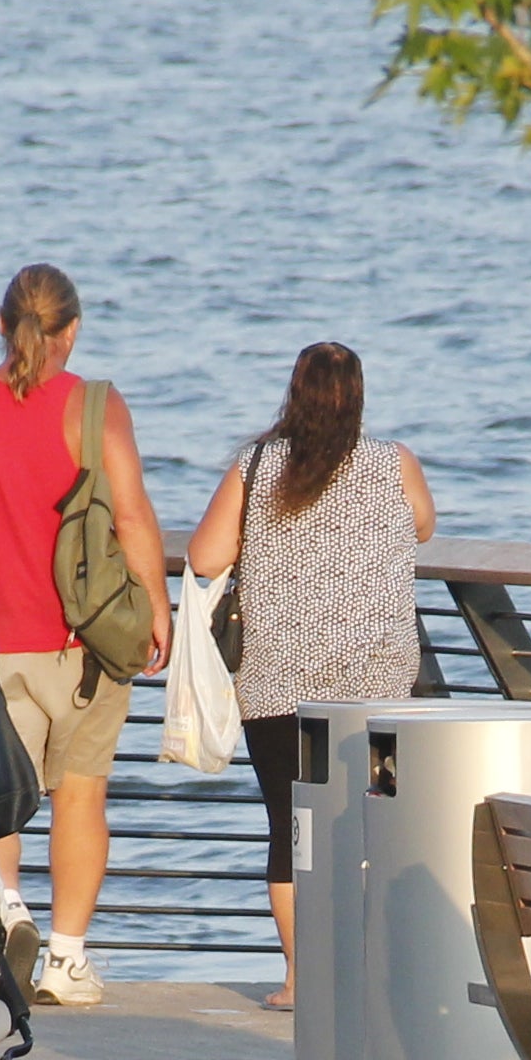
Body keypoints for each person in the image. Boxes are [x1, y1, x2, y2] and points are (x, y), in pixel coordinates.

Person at [0, 263, 165, 1005]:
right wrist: (158, 606)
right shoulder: (96, 407)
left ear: (0, 324)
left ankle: (5, 913)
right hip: (80, 642)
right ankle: (66, 959)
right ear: (73, 330)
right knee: (81, 798)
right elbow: (129, 514)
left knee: (1, 799)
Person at [180, 341, 433, 1002]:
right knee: (378, 822)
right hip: (379, 685)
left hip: (278, 680)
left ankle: (301, 979)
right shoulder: (392, 462)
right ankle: (374, 972)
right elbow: (425, 527)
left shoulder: (257, 464)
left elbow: (206, 557)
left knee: (293, 825)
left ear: (295, 392)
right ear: (358, 396)